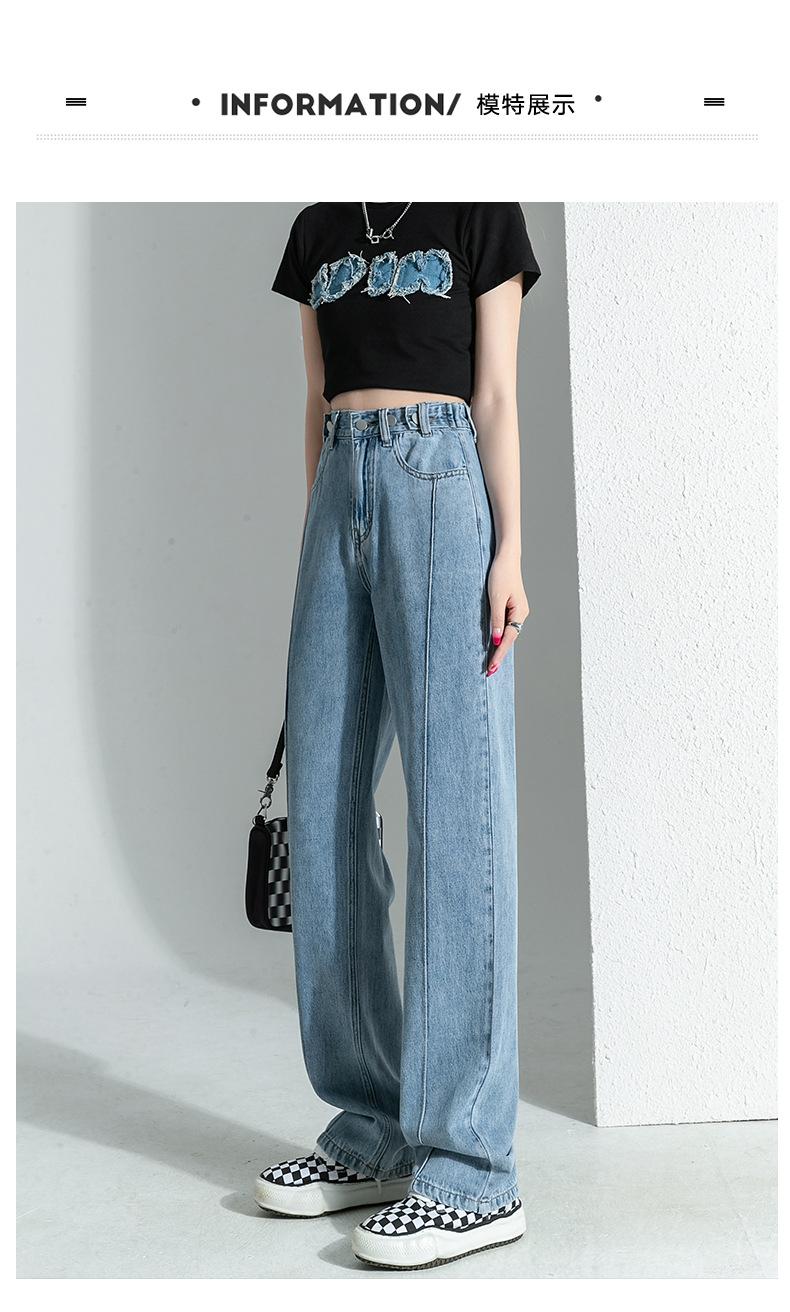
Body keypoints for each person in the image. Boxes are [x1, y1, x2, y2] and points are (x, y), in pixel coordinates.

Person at [255, 202, 541, 1271]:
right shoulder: (319, 225)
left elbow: (496, 394)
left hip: (439, 484)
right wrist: (326, 533)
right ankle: (370, 1123)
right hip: (341, 494)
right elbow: (317, 395)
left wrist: (509, 553)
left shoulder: (478, 211)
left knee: (457, 816)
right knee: (326, 813)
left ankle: (470, 1169)